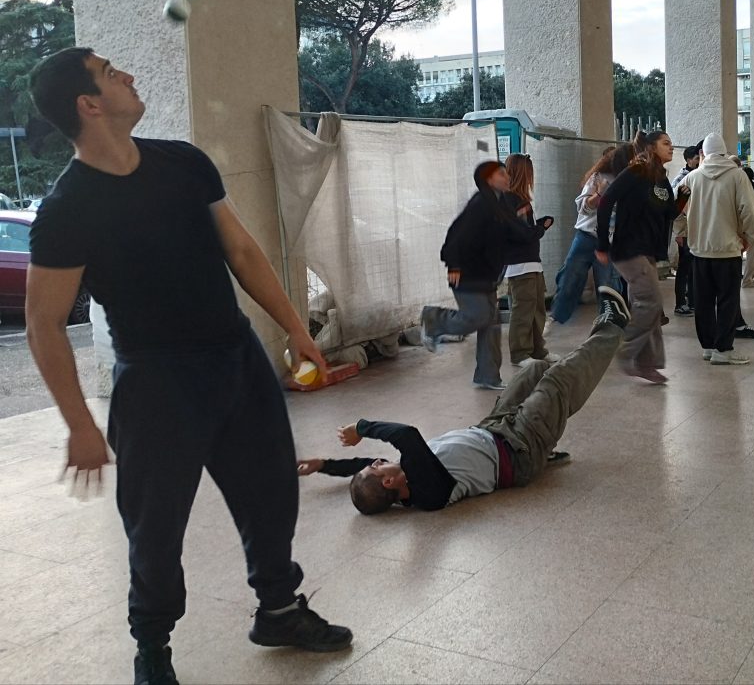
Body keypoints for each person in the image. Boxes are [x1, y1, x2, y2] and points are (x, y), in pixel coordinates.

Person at [24, 48, 352, 685]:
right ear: (88, 105)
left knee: (271, 495)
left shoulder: (183, 162)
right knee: (155, 528)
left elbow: (240, 249)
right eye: (111, 73)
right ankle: (153, 647)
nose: (130, 74)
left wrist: (294, 327)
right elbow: (42, 324)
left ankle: (279, 610)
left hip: (236, 359)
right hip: (155, 380)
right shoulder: (67, 209)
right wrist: (79, 427)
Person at [297, 287, 631, 512]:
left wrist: (324, 465)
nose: (376, 460)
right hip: (518, 450)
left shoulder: (405, 477)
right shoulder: (427, 493)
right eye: (377, 466)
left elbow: (361, 470)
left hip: (495, 430)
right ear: (388, 481)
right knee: (558, 382)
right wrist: (361, 427)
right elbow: (406, 435)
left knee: (536, 370)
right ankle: (614, 327)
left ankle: (548, 444)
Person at [421, 160, 547, 391]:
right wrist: (454, 265)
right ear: (489, 180)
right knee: (478, 316)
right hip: (468, 273)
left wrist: (538, 227)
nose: (507, 177)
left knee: (491, 324)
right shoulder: (481, 204)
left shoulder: (500, 206)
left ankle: (487, 376)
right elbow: (457, 235)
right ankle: (434, 320)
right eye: (501, 174)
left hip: (487, 275)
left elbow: (518, 234)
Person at [595, 130, 676, 384]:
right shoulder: (636, 171)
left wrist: (683, 197)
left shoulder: (661, 178)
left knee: (649, 307)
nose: (671, 147)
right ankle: (625, 349)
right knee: (650, 303)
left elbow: (669, 213)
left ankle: (645, 363)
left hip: (647, 250)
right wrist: (601, 243)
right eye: (666, 143)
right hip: (629, 248)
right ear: (651, 147)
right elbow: (606, 200)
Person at [677, 133, 754, 365]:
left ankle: (708, 346)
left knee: (702, 301)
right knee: (727, 301)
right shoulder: (737, 176)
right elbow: (750, 213)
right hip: (728, 251)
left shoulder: (691, 178)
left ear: (703, 153)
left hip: (699, 252)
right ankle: (723, 349)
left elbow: (675, 209)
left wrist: (680, 234)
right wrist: (750, 239)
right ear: (724, 153)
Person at [547, 147, 624, 328]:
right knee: (570, 277)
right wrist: (599, 194)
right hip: (586, 236)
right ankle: (557, 318)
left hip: (611, 241)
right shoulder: (598, 177)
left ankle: (609, 326)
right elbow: (584, 208)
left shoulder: (627, 181)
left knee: (608, 285)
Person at [501, 153, 557, 366]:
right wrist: (541, 228)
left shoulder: (520, 201)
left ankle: (537, 350)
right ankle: (520, 354)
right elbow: (520, 234)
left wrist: (538, 227)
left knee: (537, 310)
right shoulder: (510, 200)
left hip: (531, 262)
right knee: (523, 311)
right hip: (520, 265)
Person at [672, 145, 701, 316]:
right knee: (683, 268)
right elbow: (676, 208)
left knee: (692, 268)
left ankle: (692, 301)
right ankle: (680, 304)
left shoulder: (697, 177)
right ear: (688, 160)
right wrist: (679, 233)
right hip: (684, 231)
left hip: (694, 230)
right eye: (696, 159)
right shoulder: (681, 180)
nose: (699, 162)